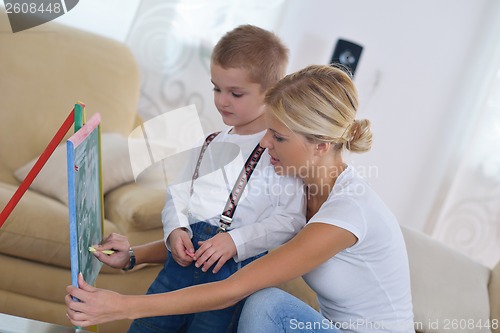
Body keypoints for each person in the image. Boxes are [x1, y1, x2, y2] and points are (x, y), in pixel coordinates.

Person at [66, 64, 415, 333]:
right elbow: (214, 239)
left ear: (320, 146)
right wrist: (134, 257)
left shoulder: (347, 210)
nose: (264, 145)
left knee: (265, 304)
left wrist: (123, 306)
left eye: (278, 137)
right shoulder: (299, 189)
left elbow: (234, 289)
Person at [85, 25, 306, 333]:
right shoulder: (210, 142)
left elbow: (290, 219)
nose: (222, 101)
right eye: (216, 88)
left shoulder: (279, 150)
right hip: (180, 266)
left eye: (235, 93)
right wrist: (175, 227)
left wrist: (235, 241)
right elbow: (177, 192)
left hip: (230, 276)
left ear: (271, 91)